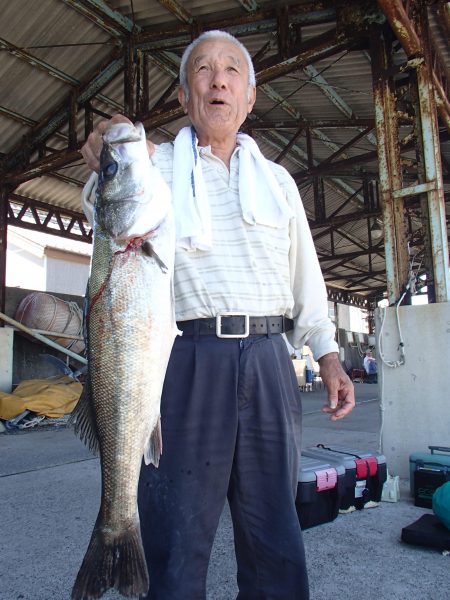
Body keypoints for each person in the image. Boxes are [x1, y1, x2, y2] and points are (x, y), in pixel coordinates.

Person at [80, 30, 355, 600]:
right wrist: (105, 149)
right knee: (175, 543)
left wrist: (328, 355)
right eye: (202, 70)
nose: (218, 79)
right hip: (183, 361)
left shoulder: (278, 182)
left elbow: (305, 276)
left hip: (269, 360)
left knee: (274, 537)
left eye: (232, 70)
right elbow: (108, 209)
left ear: (250, 96)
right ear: (184, 97)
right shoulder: (154, 169)